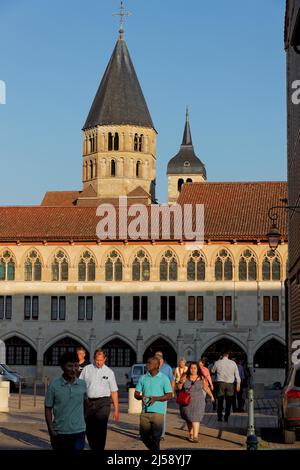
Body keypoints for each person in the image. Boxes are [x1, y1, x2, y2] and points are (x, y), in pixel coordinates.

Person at [45, 352, 87, 451]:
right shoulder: (54, 385)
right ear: (62, 367)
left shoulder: (82, 384)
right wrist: (51, 431)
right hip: (60, 433)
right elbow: (48, 408)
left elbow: (86, 404)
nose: (73, 369)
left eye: (76, 366)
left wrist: (83, 422)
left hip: (79, 433)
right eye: (70, 366)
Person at [80, 349, 119, 451]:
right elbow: (79, 385)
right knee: (89, 428)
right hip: (88, 402)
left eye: (101, 360)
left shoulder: (109, 372)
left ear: (105, 359)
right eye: (97, 360)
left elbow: (114, 391)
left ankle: (100, 448)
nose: (99, 362)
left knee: (101, 427)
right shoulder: (86, 369)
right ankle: (94, 447)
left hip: (103, 403)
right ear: (94, 359)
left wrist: (116, 409)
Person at [134, 356, 172, 452]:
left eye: (149, 363)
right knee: (144, 436)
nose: (147, 365)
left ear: (156, 365)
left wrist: (156, 398)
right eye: (147, 362)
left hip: (158, 413)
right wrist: (141, 397)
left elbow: (169, 395)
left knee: (156, 437)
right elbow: (136, 394)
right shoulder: (143, 378)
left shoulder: (164, 378)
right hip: (144, 412)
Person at [177, 361, 214, 443]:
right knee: (188, 418)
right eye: (191, 368)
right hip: (186, 401)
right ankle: (191, 434)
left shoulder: (202, 378)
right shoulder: (185, 376)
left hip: (198, 400)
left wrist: (211, 395)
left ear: (198, 369)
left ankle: (195, 436)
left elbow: (205, 388)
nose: (193, 370)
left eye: (194, 368)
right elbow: (179, 388)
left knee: (196, 418)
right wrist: (181, 382)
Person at [212, 351, 241, 423]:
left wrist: (218, 360)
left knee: (220, 400)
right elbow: (237, 375)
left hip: (220, 383)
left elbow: (212, 371)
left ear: (221, 356)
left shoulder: (217, 362)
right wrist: (238, 384)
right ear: (228, 356)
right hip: (230, 384)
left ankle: (219, 417)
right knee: (229, 401)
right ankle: (226, 416)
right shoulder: (233, 363)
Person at [154, 351, 175, 439]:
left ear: (161, 359)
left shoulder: (167, 368)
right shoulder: (153, 366)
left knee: (162, 414)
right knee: (153, 414)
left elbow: (172, 380)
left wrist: (172, 391)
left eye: (157, 359)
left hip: (163, 394)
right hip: (152, 393)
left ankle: (161, 434)